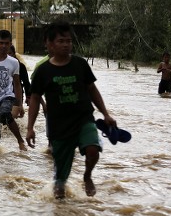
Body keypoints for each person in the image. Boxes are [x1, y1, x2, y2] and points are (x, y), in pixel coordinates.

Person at [26, 21, 116, 199]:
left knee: (93, 149)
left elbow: (92, 89)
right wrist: (30, 128)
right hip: (59, 128)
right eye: (61, 41)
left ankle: (87, 175)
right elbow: (35, 99)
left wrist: (105, 113)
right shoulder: (43, 71)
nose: (66, 44)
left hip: (83, 119)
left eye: (68, 41)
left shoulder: (80, 64)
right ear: (50, 44)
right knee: (60, 184)